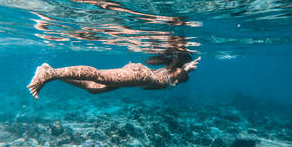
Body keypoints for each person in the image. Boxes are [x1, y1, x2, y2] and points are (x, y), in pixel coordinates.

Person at [27, 54, 201, 99]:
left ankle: (51, 71)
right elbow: (183, 73)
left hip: (138, 76)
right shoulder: (180, 74)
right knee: (99, 77)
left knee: (94, 89)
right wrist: (187, 68)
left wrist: (185, 68)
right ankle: (50, 73)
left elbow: (181, 73)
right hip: (142, 77)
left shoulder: (170, 71)